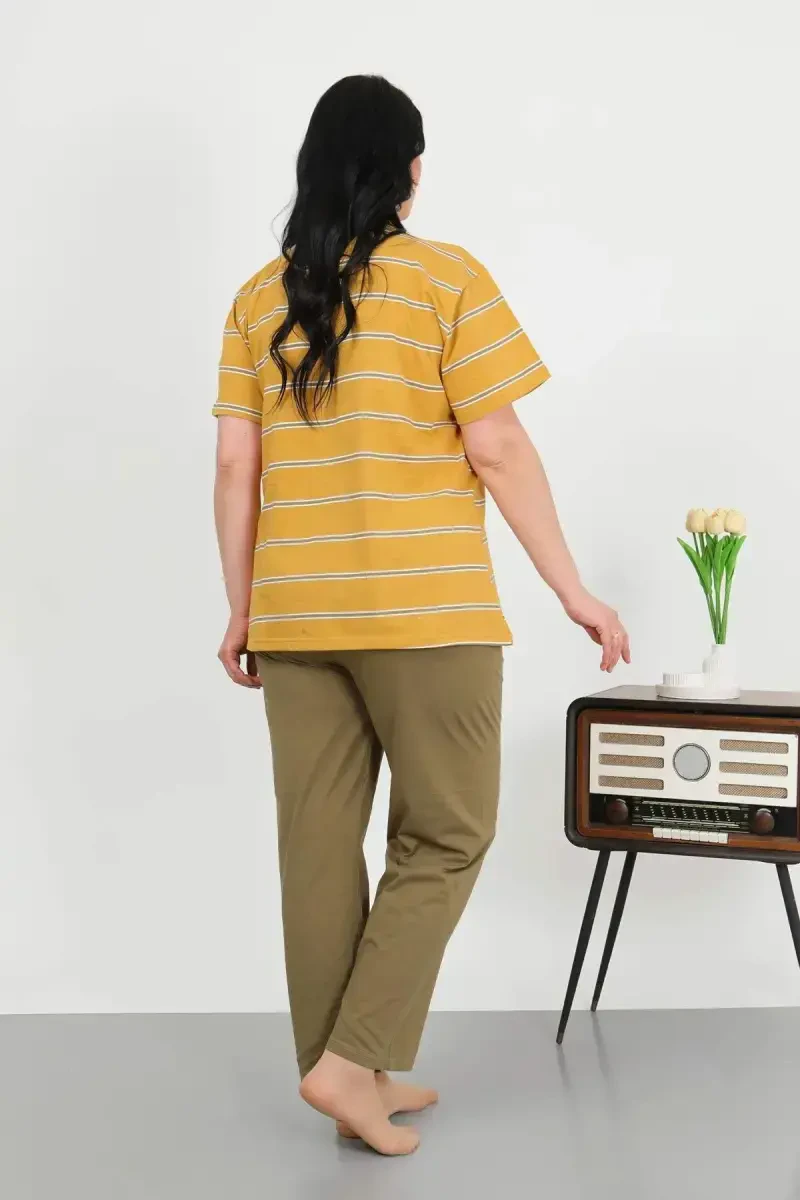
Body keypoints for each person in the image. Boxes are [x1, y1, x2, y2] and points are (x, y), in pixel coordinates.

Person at [213, 74, 630, 1157]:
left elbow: (235, 468)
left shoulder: (259, 298)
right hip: (426, 612)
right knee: (449, 831)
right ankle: (350, 1063)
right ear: (404, 169)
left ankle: (347, 1070)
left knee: (316, 844)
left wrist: (241, 607)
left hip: (296, 614)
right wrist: (572, 590)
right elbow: (496, 446)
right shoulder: (446, 279)